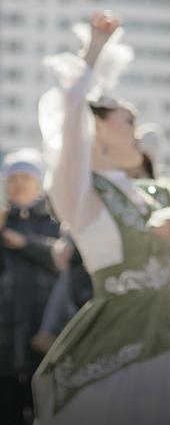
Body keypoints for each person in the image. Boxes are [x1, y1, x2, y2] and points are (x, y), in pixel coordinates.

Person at [33, 12, 170, 425]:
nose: (139, 131)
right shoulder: (80, 195)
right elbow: (71, 109)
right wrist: (95, 50)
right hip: (119, 336)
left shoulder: (155, 192)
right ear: (97, 127)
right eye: (129, 120)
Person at [0, 149, 60, 425]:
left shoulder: (54, 222)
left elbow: (63, 259)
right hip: (4, 342)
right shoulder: (2, 220)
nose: (18, 184)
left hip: (43, 338)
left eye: (25, 177)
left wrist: (25, 243)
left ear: (39, 183)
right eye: (12, 178)